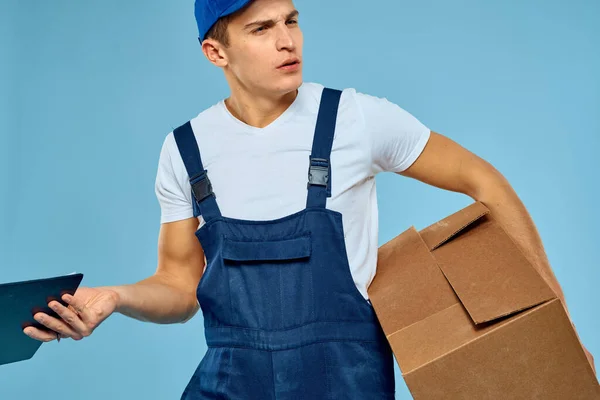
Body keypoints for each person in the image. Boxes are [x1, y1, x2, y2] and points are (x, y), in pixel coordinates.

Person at [23, 0, 595, 398]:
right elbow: (180, 286)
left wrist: (553, 317)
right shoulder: (185, 150)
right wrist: (115, 297)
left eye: (291, 21)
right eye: (260, 29)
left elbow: (485, 182)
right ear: (215, 53)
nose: (286, 41)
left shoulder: (357, 119)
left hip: (346, 385)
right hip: (228, 387)